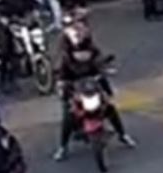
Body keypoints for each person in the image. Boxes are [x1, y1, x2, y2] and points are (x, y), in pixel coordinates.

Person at [53, 20, 135, 161]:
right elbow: (60, 72)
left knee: (109, 108)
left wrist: (105, 71)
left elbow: (101, 63)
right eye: (76, 37)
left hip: (93, 86)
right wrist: (62, 83)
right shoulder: (65, 56)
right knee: (68, 116)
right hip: (74, 88)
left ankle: (123, 135)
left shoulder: (93, 50)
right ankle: (62, 147)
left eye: (81, 37)